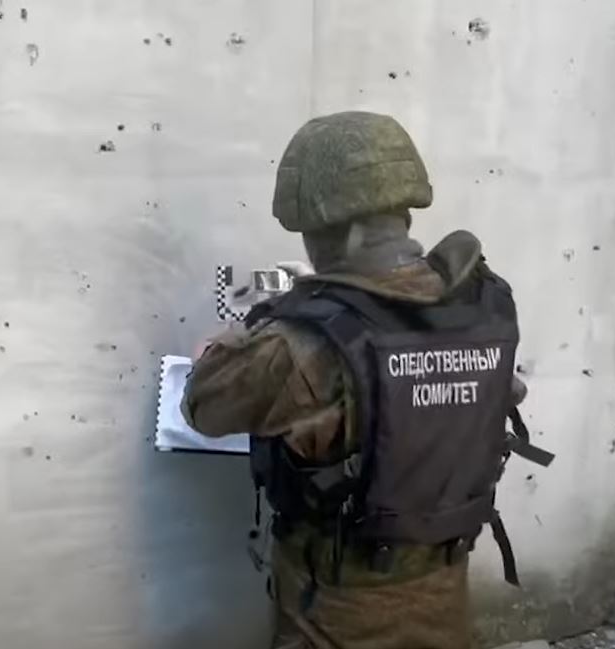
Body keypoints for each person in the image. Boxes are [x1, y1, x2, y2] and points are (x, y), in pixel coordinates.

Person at [182, 111, 551, 649]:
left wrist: (225, 344)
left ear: (343, 231)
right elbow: (499, 394)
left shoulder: (302, 342)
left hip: (336, 611)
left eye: (311, 235)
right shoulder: (481, 304)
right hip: (445, 593)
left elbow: (204, 408)